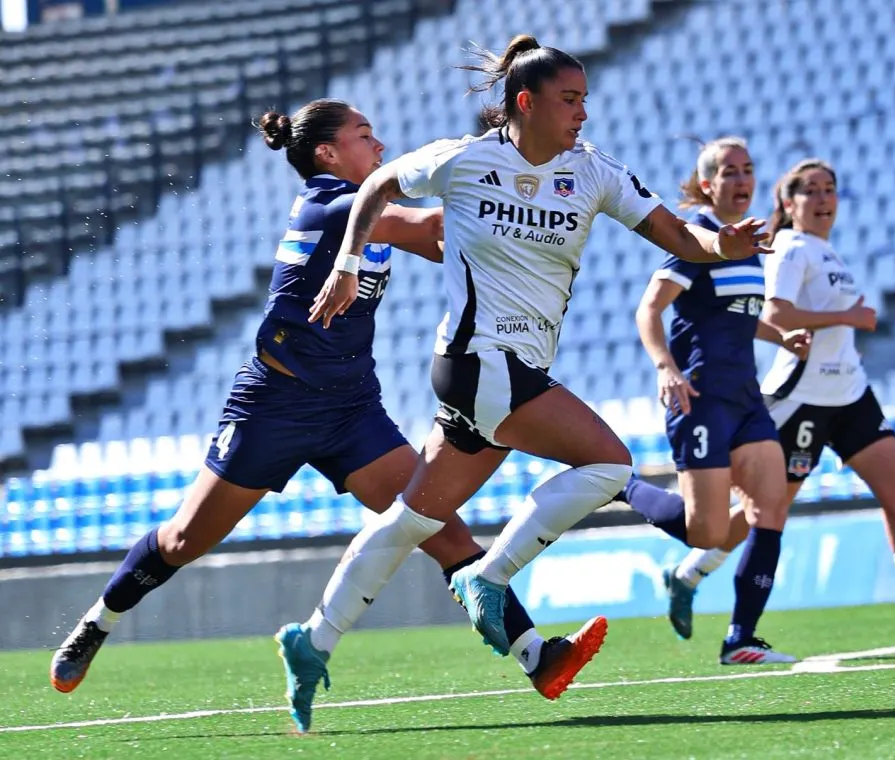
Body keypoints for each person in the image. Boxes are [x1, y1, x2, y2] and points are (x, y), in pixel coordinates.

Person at [49, 99, 603, 731]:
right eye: (365, 135)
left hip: (350, 410)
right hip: (273, 407)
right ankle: (97, 624)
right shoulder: (332, 204)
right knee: (182, 540)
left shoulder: (373, 214)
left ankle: (537, 657)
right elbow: (427, 227)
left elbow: (448, 237)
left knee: (440, 528)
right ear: (327, 155)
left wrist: (526, 179)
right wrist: (502, 167)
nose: (381, 142)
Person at [275, 33, 772, 722]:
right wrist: (348, 263)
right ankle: (491, 575)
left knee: (413, 520)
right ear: (525, 102)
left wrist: (725, 244)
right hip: (481, 362)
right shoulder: (467, 158)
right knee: (609, 464)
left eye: (585, 100)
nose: (582, 114)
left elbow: (682, 238)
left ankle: (313, 639)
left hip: (502, 374)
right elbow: (379, 186)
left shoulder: (594, 171)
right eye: (570, 100)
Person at [662, 158, 895, 636]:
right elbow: (778, 312)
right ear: (789, 204)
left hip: (849, 391)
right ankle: (689, 573)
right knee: (763, 513)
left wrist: (847, 322)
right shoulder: (789, 247)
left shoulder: (828, 252)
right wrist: (849, 319)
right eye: (811, 191)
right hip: (803, 397)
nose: (824, 198)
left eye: (830, 189)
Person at [618, 137, 811, 663]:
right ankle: (622, 484)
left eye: (748, 170)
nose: (742, 180)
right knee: (705, 529)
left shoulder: (750, 246)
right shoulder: (698, 239)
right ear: (707, 185)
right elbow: (648, 310)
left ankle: (740, 639)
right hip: (700, 398)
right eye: (729, 172)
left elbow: (742, 316)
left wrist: (781, 336)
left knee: (769, 507)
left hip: (746, 398)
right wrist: (665, 367)